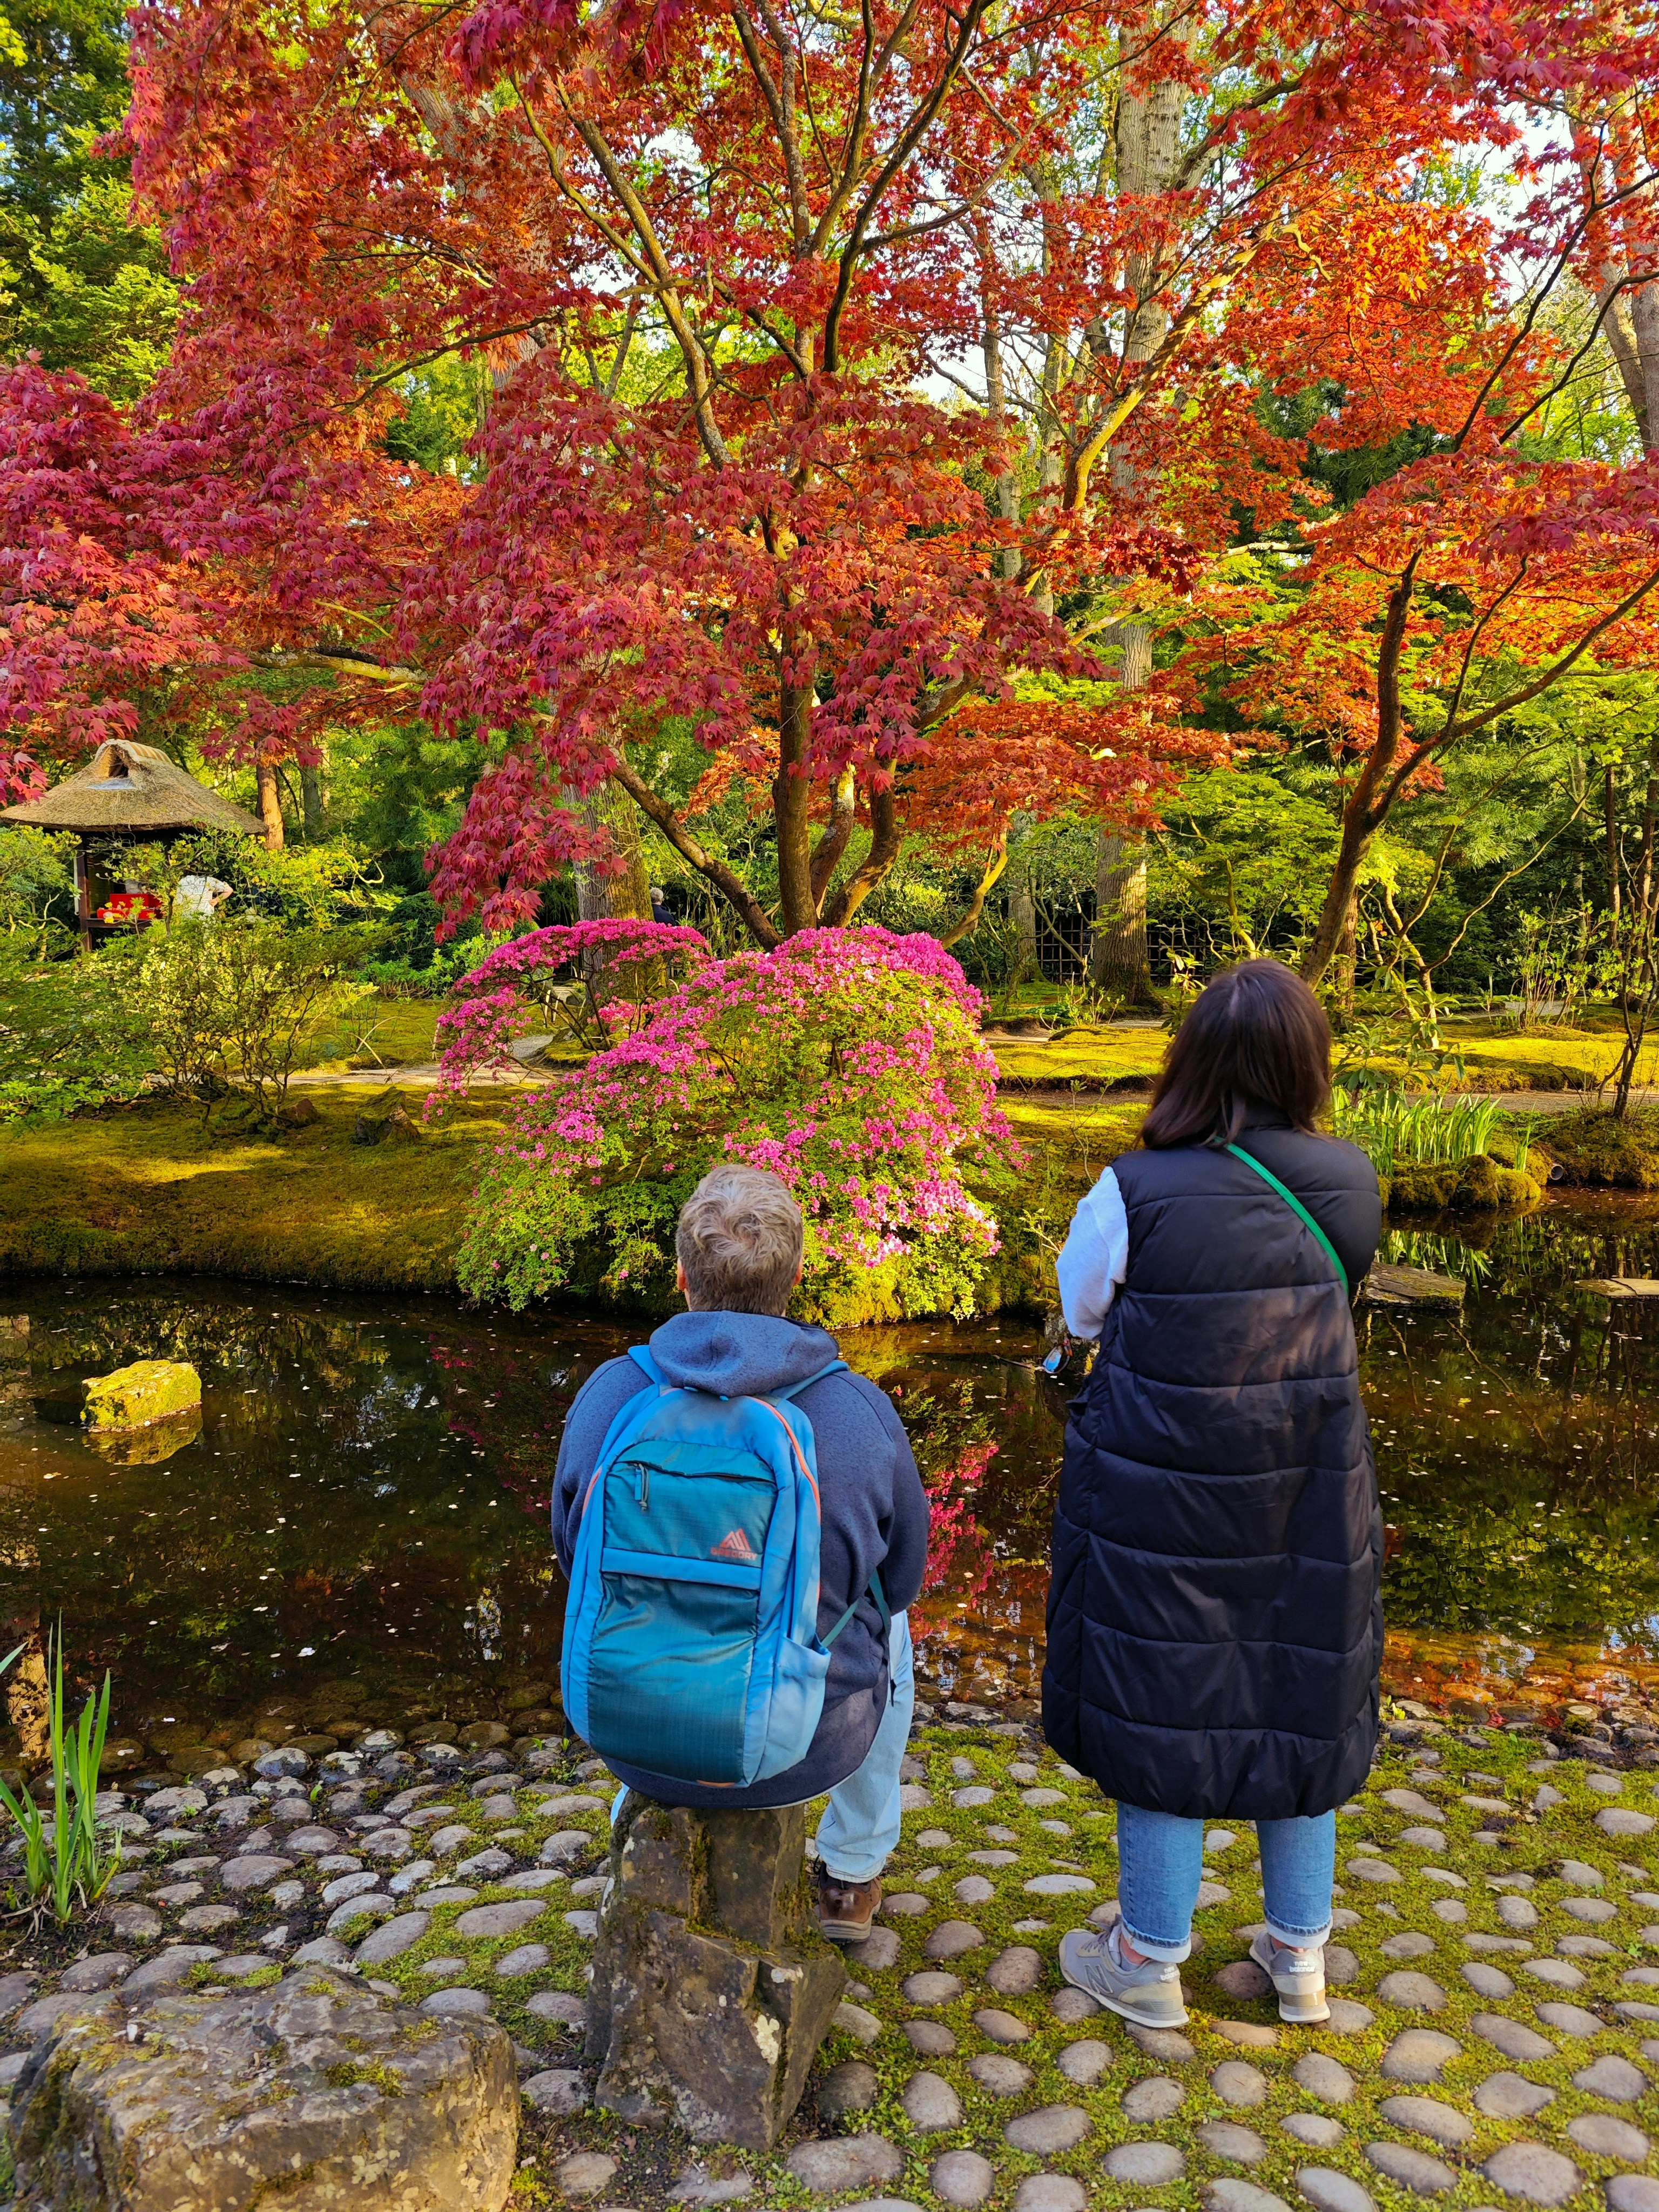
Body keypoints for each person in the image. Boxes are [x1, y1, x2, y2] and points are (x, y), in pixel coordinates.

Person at [1044, 959, 1381, 2029]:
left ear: (1188, 1062)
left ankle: (1146, 1957)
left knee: (1164, 1703)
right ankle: (1300, 1958)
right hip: (1310, 1486)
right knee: (1302, 1698)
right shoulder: (1351, 1183)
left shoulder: (1133, 1190)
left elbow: (1079, 1311)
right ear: (1305, 1063)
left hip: (1162, 1497)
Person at [551, 1163, 929, 1938]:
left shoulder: (612, 1395)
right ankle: (851, 1879)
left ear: (683, 1280)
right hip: (803, 1748)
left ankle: (644, 1800)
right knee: (891, 1629)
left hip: (627, 1735)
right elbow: (901, 1578)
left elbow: (571, 1555)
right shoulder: (855, 1409)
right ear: (795, 1278)